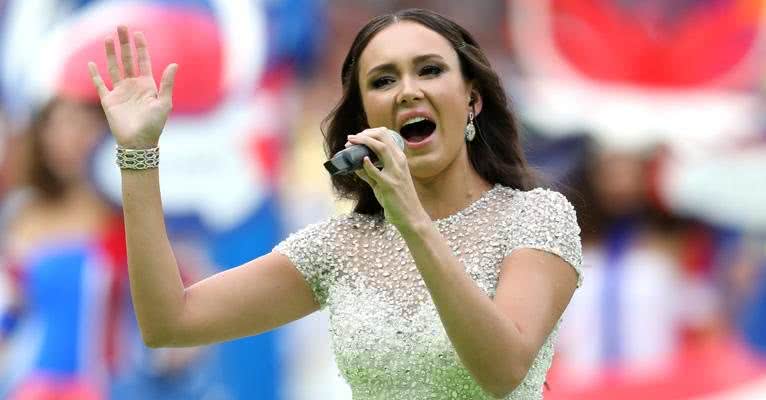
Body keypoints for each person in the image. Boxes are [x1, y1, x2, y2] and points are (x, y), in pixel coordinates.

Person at [87, 8, 583, 399]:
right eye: (383, 80)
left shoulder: (534, 217)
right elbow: (169, 323)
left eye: (429, 70)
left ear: (472, 99)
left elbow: (502, 370)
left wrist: (411, 219)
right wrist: (138, 154)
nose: (409, 90)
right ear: (365, 114)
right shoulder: (340, 246)